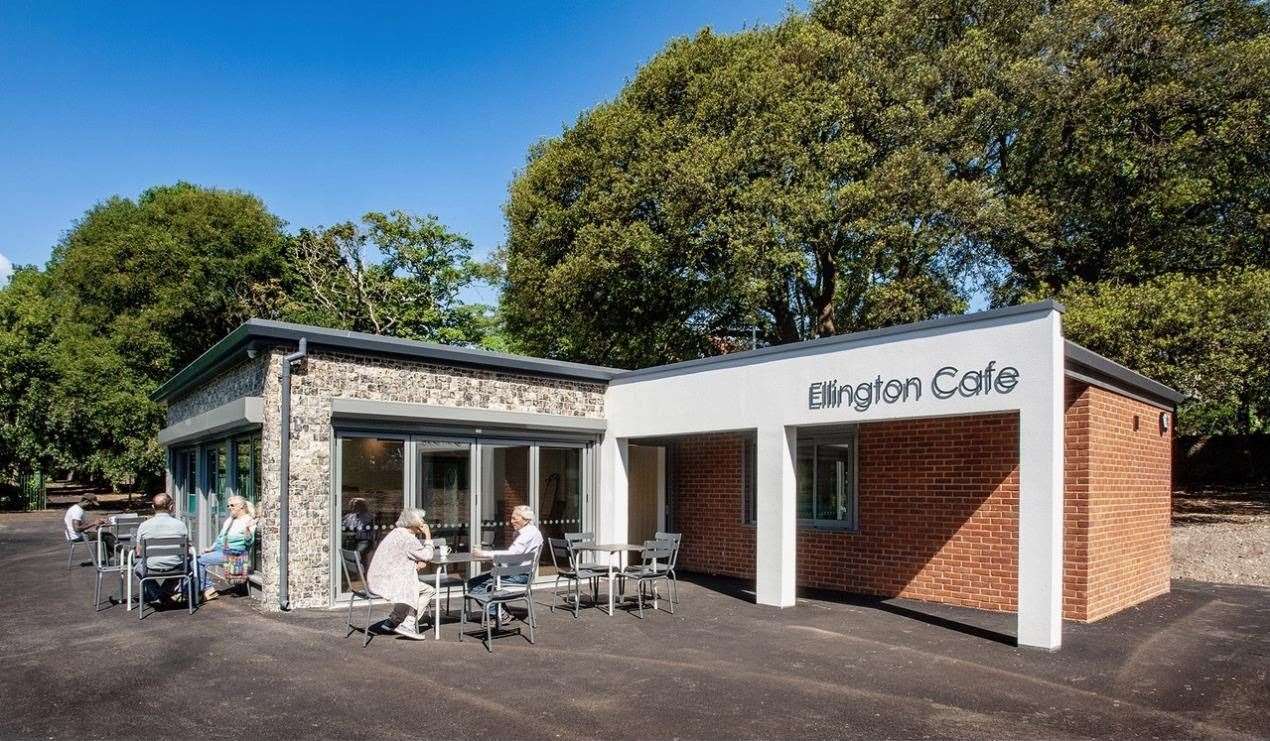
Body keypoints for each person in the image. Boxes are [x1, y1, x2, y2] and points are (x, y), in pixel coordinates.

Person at [366, 508, 437, 641]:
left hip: (384, 578)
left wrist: (413, 566)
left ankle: (393, 621)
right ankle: (408, 624)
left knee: (411, 586)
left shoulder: (397, 533)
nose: (424, 523)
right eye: (421, 521)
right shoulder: (409, 539)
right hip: (395, 582)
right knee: (428, 590)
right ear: (414, 523)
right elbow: (428, 555)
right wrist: (428, 535)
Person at [468, 504, 542, 623]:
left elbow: (511, 554)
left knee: (474, 585)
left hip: (519, 576)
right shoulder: (533, 532)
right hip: (522, 573)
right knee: (485, 583)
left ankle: (501, 614)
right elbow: (516, 556)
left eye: (515, 518)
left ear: (526, 519)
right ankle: (502, 612)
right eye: (511, 518)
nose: (511, 521)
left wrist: (484, 554)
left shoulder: (526, 535)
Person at [133, 493, 192, 604]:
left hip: (151, 567)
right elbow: (187, 549)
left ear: (153, 507)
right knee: (188, 565)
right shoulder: (181, 525)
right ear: (171, 507)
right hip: (176, 567)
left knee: (137, 569)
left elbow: (139, 551)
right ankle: (164, 592)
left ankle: (158, 594)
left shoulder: (144, 525)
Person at [196, 495, 256, 602]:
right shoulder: (230, 519)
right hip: (223, 550)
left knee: (199, 561)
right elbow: (221, 537)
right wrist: (211, 548)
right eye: (228, 505)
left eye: (232, 505)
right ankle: (206, 588)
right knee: (196, 559)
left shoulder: (248, 520)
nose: (229, 507)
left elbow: (249, 542)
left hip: (235, 552)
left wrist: (247, 529)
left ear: (241, 506)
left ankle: (207, 588)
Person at [64, 494, 116, 558]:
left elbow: (82, 525)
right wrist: (94, 523)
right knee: (107, 536)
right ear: (86, 501)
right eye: (92, 504)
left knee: (105, 535)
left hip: (76, 535)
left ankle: (107, 557)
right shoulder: (77, 511)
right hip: (76, 537)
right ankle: (125, 555)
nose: (92, 507)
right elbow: (77, 529)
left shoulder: (78, 509)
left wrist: (95, 524)